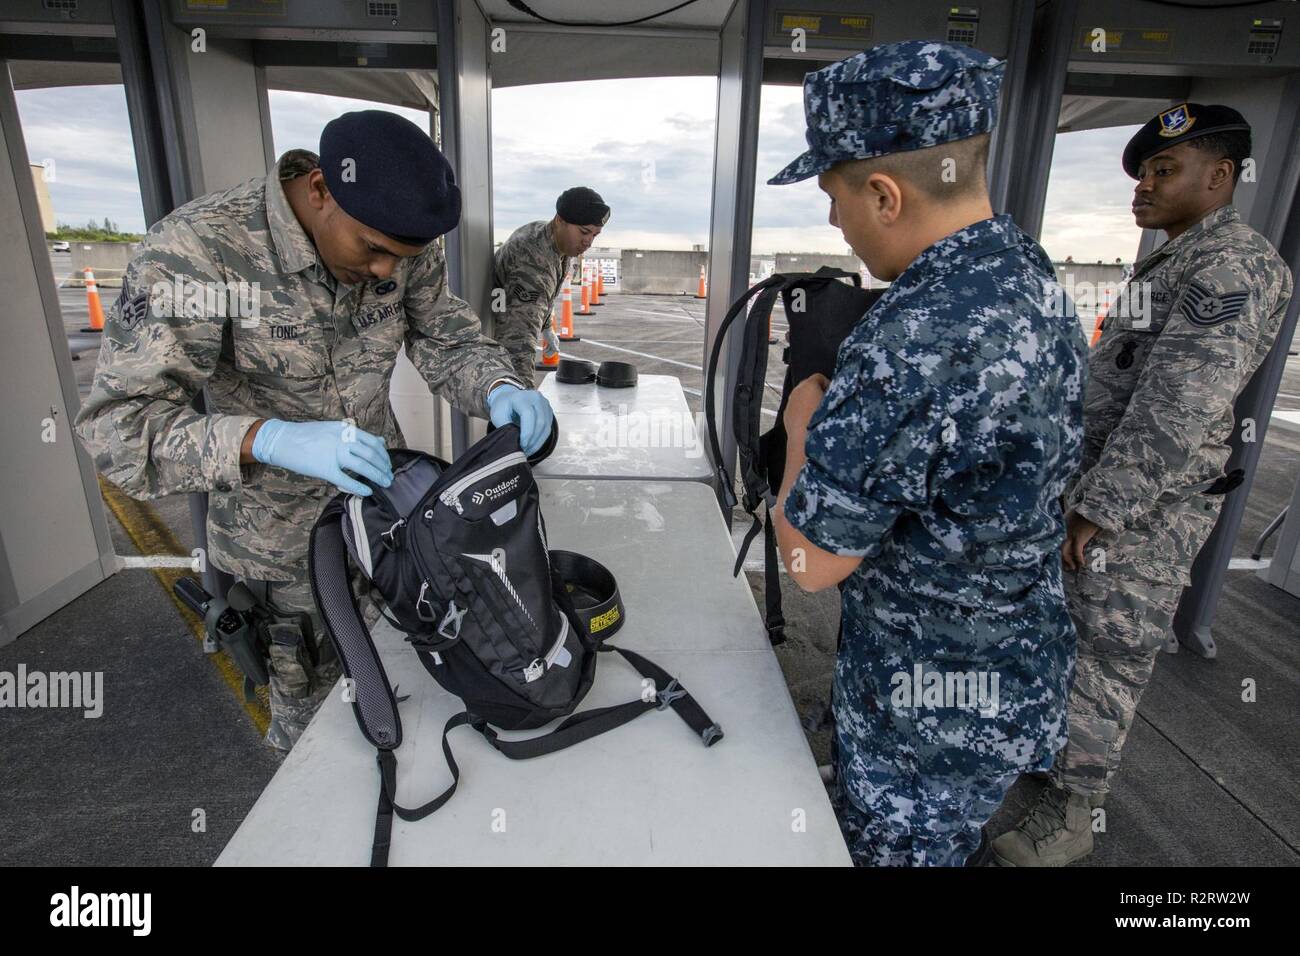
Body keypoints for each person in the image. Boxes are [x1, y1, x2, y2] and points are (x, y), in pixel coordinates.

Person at [74, 109, 554, 751]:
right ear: (321, 189)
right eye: (373, 249)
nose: (385, 271)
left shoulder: (398, 236)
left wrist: (499, 387)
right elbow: (119, 429)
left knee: (413, 700)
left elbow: (447, 338)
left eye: (401, 258)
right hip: (282, 554)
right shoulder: (200, 250)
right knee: (316, 746)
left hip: (388, 526)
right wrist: (268, 439)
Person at [768, 40, 1087, 866]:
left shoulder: (916, 336)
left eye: (834, 197)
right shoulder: (1028, 275)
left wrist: (803, 419)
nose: (833, 222)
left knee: (902, 848)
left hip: (921, 712)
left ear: (884, 194)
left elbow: (809, 563)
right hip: (1003, 671)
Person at [993, 103, 1293, 866]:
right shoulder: (1175, 260)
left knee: (1108, 654)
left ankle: (1070, 815)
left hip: (1140, 517)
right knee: (1069, 642)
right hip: (1102, 494)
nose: (1144, 185)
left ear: (1219, 176)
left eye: (1165, 170)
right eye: (1143, 172)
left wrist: (1101, 507)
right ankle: (1047, 764)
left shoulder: (1231, 266)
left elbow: (1180, 402)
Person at [492, 187, 609, 380]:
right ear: (559, 221)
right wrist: (521, 391)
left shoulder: (557, 242)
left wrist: (546, 327)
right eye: (584, 232)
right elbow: (518, 343)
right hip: (494, 332)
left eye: (594, 235)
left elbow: (544, 295)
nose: (588, 242)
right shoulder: (533, 260)